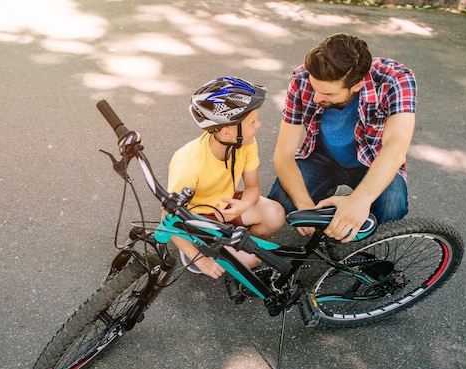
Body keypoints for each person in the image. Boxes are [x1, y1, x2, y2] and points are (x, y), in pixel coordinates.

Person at [268, 33, 417, 243]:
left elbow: (396, 147)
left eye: (328, 94)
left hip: (372, 161)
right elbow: (283, 154)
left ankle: (358, 235)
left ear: (356, 85)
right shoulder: (302, 77)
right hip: (321, 157)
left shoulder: (396, 78)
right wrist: (305, 205)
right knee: (284, 204)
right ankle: (328, 199)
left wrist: (359, 201)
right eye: (315, 88)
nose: (316, 97)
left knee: (391, 208)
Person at [167, 76, 285, 298]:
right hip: (197, 221)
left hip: (226, 208)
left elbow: (252, 187)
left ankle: (231, 247)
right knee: (253, 258)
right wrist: (201, 260)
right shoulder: (188, 164)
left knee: (276, 214)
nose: (258, 125)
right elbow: (168, 221)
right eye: (252, 122)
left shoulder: (244, 143)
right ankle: (197, 253)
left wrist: (243, 206)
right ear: (226, 131)